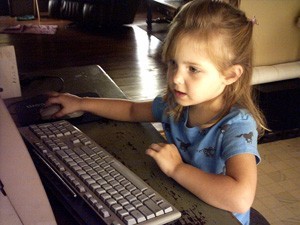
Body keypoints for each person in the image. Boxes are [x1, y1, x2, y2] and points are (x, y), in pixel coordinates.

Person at [46, 1, 267, 224]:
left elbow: (240, 199)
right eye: (173, 63)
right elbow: (132, 110)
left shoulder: (237, 125)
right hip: (182, 199)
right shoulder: (175, 105)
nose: (175, 78)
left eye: (193, 69)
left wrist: (177, 169)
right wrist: (82, 103)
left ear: (229, 75)